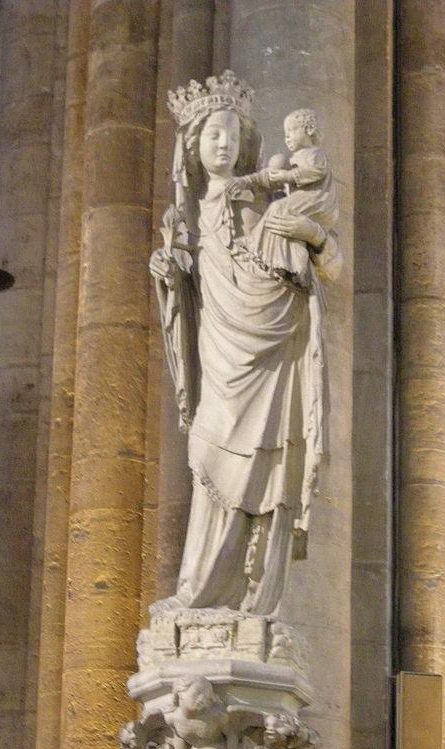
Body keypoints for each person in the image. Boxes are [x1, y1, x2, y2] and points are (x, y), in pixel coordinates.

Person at [150, 72, 342, 615]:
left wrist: (316, 238)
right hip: (221, 353)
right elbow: (186, 289)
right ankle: (199, 592)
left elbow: (328, 265)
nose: (224, 144)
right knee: (208, 450)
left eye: (233, 135)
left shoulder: (265, 201)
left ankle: (255, 601)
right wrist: (170, 274)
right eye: (213, 134)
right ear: (194, 145)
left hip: (275, 345)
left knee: (269, 463)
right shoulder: (183, 216)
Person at [229, 108, 339, 287]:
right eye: (285, 133)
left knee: (278, 208)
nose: (287, 137)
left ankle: (260, 248)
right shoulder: (295, 159)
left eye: (292, 131)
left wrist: (314, 234)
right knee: (281, 214)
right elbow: (268, 177)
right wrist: (245, 181)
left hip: (317, 201)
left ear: (309, 130)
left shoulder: (313, 154)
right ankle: (283, 263)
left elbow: (314, 172)